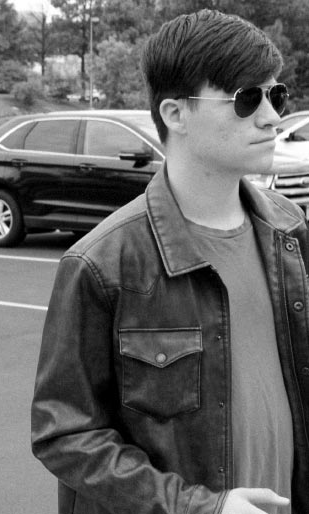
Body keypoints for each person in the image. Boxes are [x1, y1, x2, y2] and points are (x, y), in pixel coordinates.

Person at [31, 9, 309, 514]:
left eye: (277, 94)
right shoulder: (102, 264)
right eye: (247, 98)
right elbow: (66, 435)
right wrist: (203, 507)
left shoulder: (289, 229)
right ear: (175, 114)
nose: (271, 116)